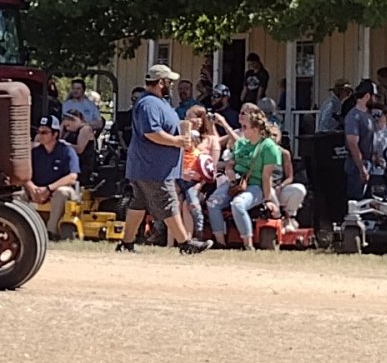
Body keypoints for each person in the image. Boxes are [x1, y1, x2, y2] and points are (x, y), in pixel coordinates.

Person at [116, 64, 211, 254]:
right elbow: (151, 132)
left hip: (149, 166)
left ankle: (126, 243)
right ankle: (185, 244)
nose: (172, 85)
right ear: (161, 82)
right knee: (168, 202)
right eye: (170, 82)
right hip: (153, 167)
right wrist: (176, 141)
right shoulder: (148, 103)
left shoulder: (159, 102)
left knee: (139, 203)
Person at [206, 105, 281, 249]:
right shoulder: (242, 143)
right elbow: (230, 163)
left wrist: (267, 200)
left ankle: (248, 244)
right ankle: (220, 242)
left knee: (238, 204)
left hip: (256, 185)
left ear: (255, 130)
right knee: (212, 202)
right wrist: (230, 172)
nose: (242, 130)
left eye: (245, 127)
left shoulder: (268, 147)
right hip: (236, 182)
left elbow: (266, 177)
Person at [25, 114, 81, 240]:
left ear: (55, 134)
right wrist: (32, 188)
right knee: (17, 193)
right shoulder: (35, 153)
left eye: (44, 132)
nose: (40, 135)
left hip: (58, 190)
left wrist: (49, 189)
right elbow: (23, 174)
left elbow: (72, 177)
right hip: (37, 190)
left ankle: (51, 232)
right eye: (38, 132)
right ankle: (24, 230)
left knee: (62, 192)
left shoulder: (67, 151)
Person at [177, 105, 220, 240]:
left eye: (190, 117)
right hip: (182, 179)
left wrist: (199, 182)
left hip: (203, 183)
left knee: (187, 205)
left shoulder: (211, 140)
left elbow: (212, 168)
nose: (187, 120)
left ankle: (190, 238)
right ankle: (172, 238)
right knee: (176, 200)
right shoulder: (182, 139)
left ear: (200, 120)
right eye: (186, 117)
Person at [343, 79, 377, 201]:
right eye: (374, 96)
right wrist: (361, 167)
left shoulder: (368, 116)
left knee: (369, 201)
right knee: (356, 202)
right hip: (356, 166)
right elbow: (353, 144)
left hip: (369, 164)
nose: (376, 100)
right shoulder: (354, 116)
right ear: (367, 96)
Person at [268, 124, 306, 231]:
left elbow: (290, 177)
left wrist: (281, 186)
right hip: (265, 190)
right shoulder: (260, 152)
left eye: (275, 135)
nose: (272, 137)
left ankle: (289, 217)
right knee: (269, 190)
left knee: (299, 189)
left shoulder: (284, 153)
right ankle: (279, 218)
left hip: (279, 188)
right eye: (269, 135)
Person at [60, 111, 95, 184]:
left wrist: (66, 144)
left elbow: (79, 149)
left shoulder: (85, 129)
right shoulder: (69, 132)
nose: (67, 128)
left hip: (83, 164)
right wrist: (62, 128)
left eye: (68, 125)